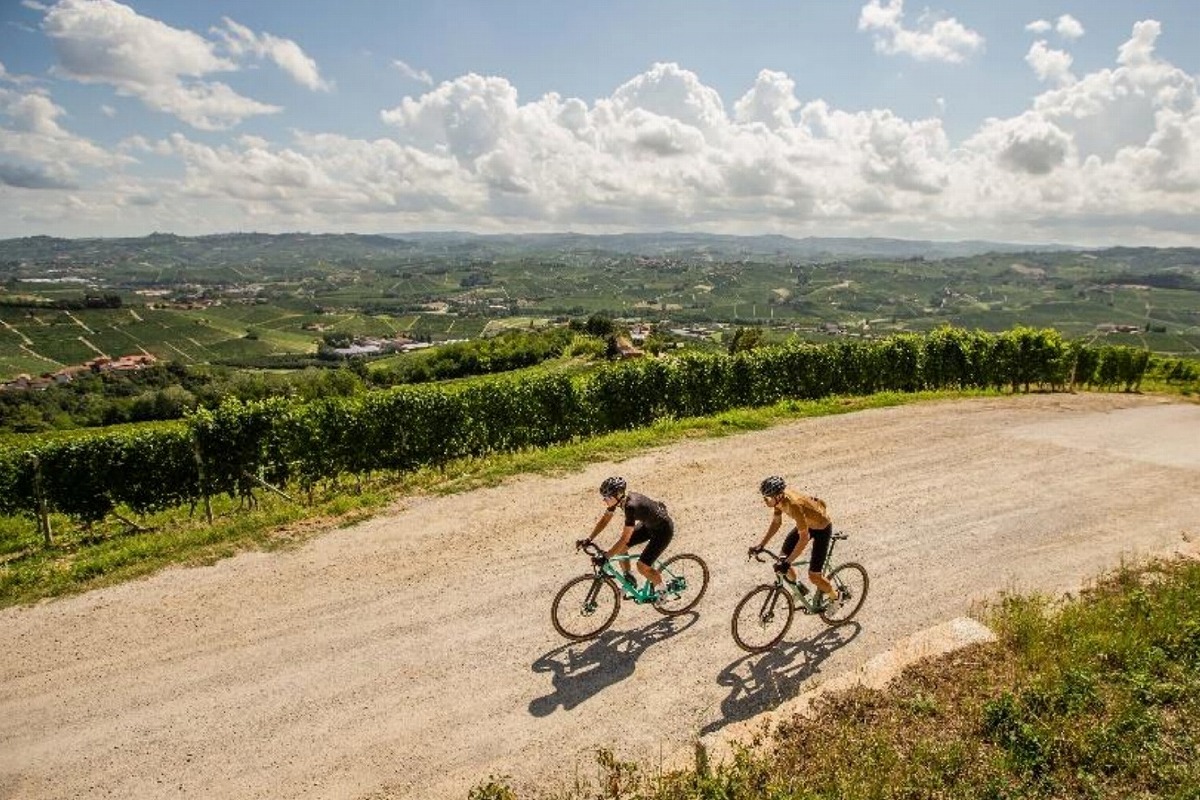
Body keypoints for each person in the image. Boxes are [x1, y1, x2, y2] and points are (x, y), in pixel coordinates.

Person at [750, 475, 842, 610]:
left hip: (822, 528)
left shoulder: (794, 505)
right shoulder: (778, 501)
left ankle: (836, 597)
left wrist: (788, 562)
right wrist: (761, 545)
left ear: (779, 495)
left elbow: (804, 538)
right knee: (780, 560)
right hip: (807, 523)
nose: (766, 500)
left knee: (814, 577)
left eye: (769, 497)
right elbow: (776, 523)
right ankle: (800, 590)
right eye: (765, 497)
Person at [577, 476, 674, 599]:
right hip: (649, 526)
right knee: (621, 549)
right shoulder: (619, 500)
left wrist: (606, 557)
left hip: (663, 531)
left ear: (618, 495)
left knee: (642, 566)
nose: (604, 500)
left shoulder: (630, 507)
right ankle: (629, 578)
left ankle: (662, 589)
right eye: (604, 497)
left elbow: (625, 539)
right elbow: (605, 519)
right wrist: (589, 539)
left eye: (607, 497)